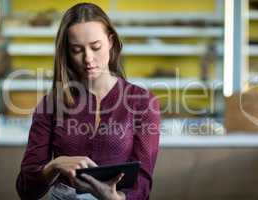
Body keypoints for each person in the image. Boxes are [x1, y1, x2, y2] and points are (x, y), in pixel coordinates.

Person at [16, 2, 161, 200]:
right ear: (66, 52)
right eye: (77, 50)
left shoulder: (142, 103)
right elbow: (26, 190)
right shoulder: (50, 105)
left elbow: (142, 184)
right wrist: (54, 165)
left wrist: (116, 199)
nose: (88, 59)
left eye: (95, 47)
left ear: (110, 41)